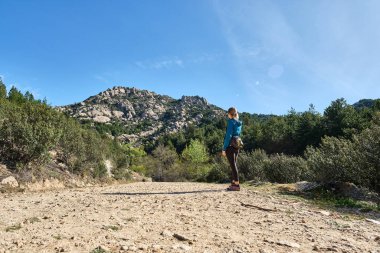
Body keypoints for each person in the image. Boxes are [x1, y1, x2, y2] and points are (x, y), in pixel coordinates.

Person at [222, 107, 243, 191]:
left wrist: (224, 148)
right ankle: (234, 183)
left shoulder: (231, 122)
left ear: (229, 114)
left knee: (233, 165)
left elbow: (228, 136)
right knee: (234, 164)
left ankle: (237, 185)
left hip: (230, 146)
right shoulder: (239, 123)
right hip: (237, 145)